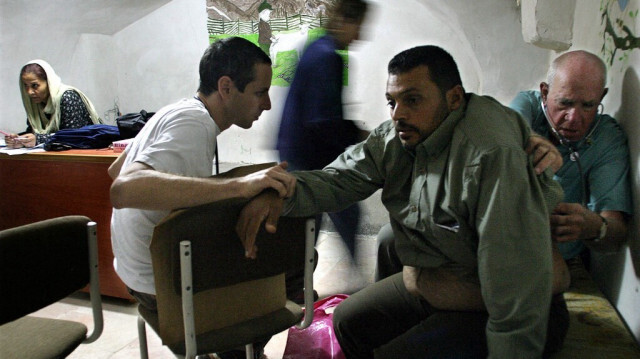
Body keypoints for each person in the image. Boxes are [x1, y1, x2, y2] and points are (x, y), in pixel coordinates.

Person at [237, 45, 569, 358]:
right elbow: (340, 179)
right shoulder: (398, 138)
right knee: (348, 321)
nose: (399, 114)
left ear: (454, 99)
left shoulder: (491, 155)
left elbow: (517, 295)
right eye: (392, 102)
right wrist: (280, 194)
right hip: (445, 279)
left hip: (512, 302)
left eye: (412, 100)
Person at [108, 37, 296, 359]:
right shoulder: (194, 123)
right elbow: (123, 188)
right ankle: (238, 350)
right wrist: (240, 187)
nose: (266, 105)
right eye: (260, 92)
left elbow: (114, 168)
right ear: (226, 87)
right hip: (158, 284)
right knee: (293, 265)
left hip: (133, 269)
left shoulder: (176, 110)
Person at [509, 50, 632, 267]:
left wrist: (595, 227)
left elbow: (616, 233)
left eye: (587, 105)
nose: (574, 119)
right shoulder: (527, 107)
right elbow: (507, 136)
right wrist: (531, 143)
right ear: (545, 94)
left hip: (557, 260)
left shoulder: (606, 139)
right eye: (564, 103)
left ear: (601, 98)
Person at [276, 0, 369, 256]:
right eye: (358, 27)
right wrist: (358, 136)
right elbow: (323, 120)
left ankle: (297, 280)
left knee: (310, 221)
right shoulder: (328, 56)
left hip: (295, 149)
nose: (360, 36)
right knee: (339, 210)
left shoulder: (317, 47)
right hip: (309, 154)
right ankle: (350, 282)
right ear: (343, 22)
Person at [4, 59, 102, 148]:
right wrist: (19, 139)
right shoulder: (36, 103)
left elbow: (72, 136)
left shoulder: (68, 97)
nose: (29, 92)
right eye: (26, 86)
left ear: (49, 82)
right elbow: (33, 132)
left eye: (35, 85)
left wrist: (38, 139)